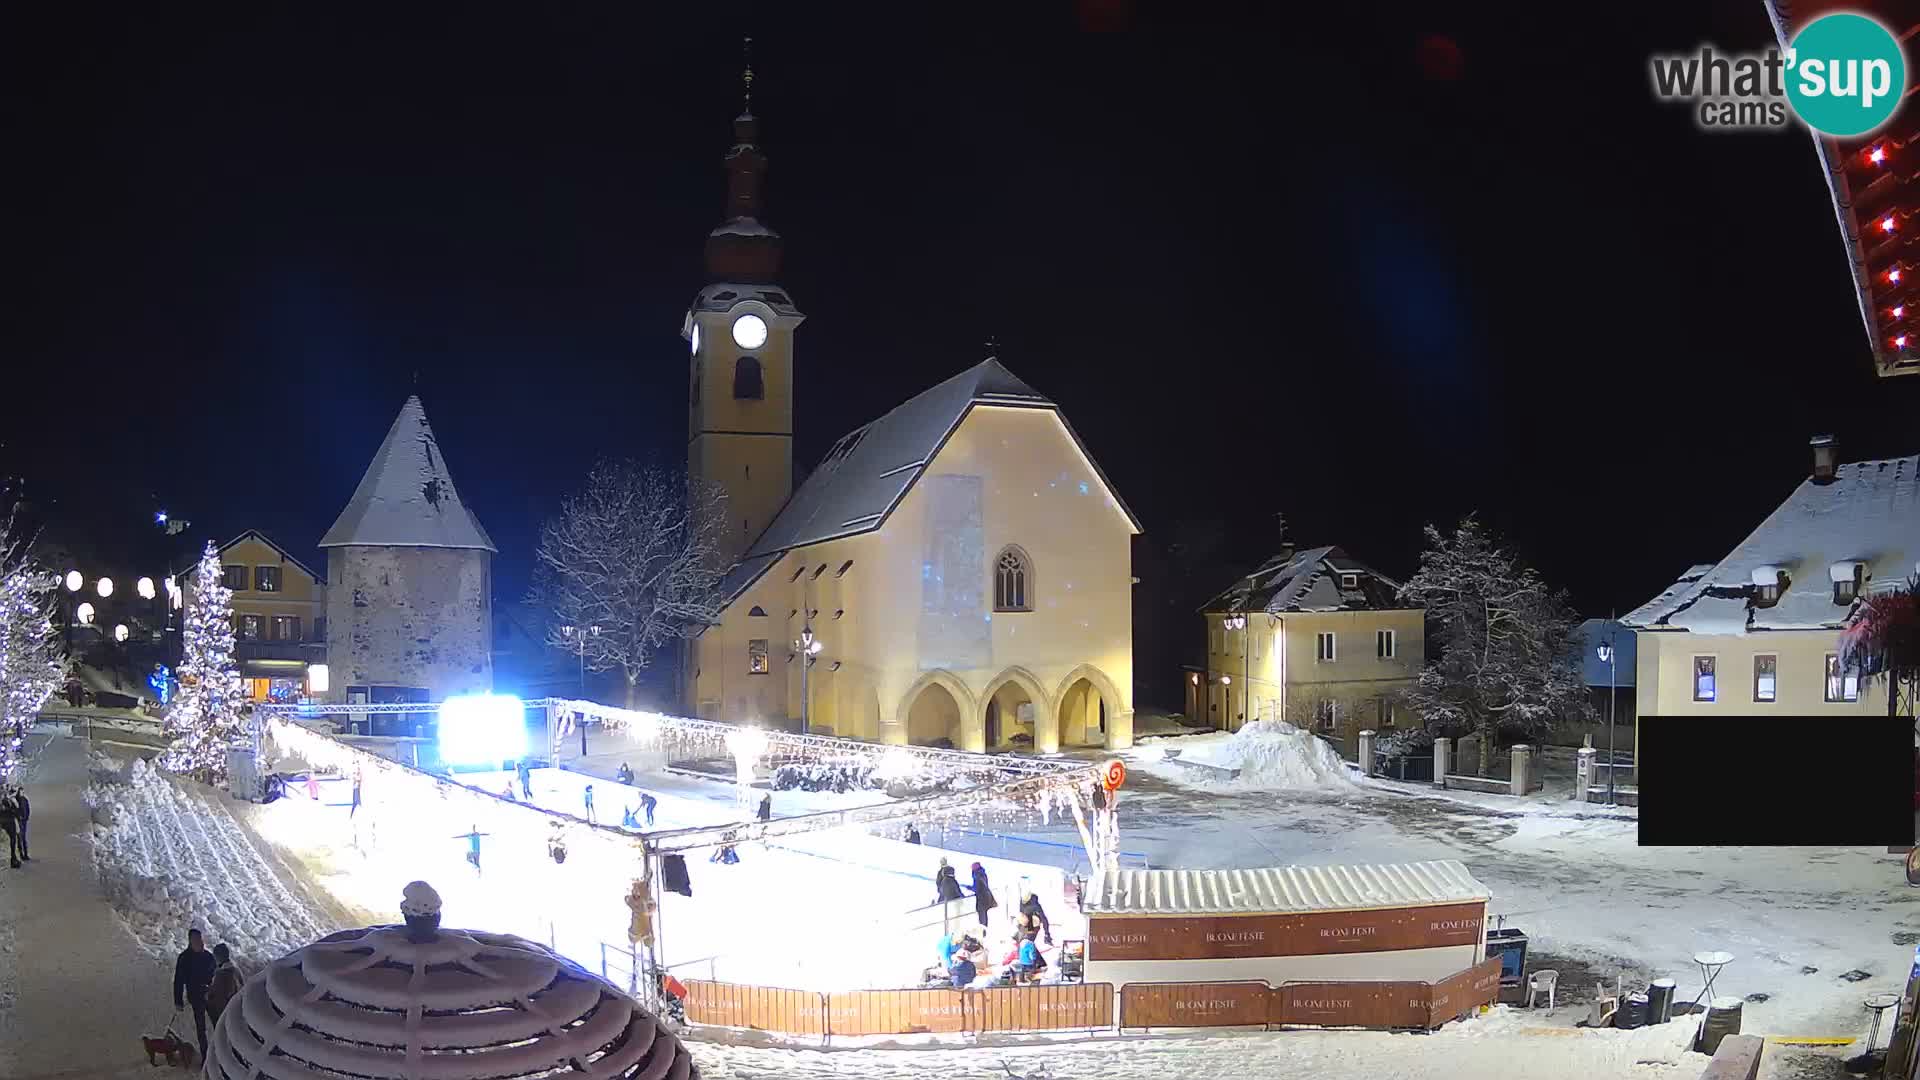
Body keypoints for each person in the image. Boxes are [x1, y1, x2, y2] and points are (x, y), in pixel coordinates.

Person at [173, 928, 217, 1064]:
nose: (200, 942)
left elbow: (216, 974)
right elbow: (179, 980)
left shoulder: (208, 957)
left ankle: (220, 1051)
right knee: (201, 1026)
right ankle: (205, 1055)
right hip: (196, 995)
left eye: (201, 939)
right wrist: (178, 1000)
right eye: (196, 940)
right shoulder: (184, 958)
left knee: (217, 1022)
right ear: (190, 941)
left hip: (211, 994)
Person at [207, 943, 243, 1023]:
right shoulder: (237, 970)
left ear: (218, 958)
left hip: (226, 1015)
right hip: (238, 1010)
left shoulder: (221, 975)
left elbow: (219, 999)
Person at [970, 862, 997, 930]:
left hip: (982, 898)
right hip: (986, 897)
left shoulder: (977, 876)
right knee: (984, 915)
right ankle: (984, 929)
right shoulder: (982, 874)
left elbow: (976, 888)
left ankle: (983, 931)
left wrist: (968, 887)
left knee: (982, 916)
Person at [0, 793, 19, 868]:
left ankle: (13, 860)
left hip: (4, 825)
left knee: (11, 843)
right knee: (13, 842)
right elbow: (16, 812)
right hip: (10, 824)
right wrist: (14, 803)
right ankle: (13, 860)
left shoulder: (2, 805)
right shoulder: (10, 806)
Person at [8, 790, 28, 861]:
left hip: (20, 821)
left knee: (21, 839)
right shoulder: (13, 801)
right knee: (19, 839)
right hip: (16, 822)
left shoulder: (21, 800)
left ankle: (23, 855)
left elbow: (25, 809)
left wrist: (24, 818)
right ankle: (21, 855)